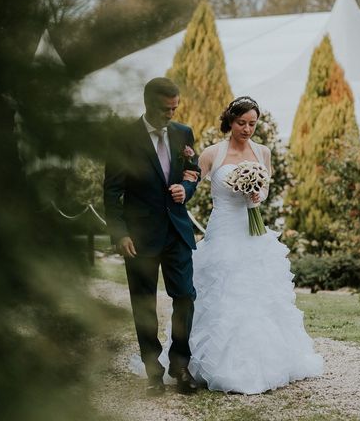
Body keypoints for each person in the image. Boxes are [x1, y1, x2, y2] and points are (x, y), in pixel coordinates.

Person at [162, 96, 323, 394]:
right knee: (220, 291)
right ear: (230, 121)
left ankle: (263, 362)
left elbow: (265, 186)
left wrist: (257, 195)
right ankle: (202, 362)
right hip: (223, 229)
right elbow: (191, 180)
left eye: (252, 123)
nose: (247, 129)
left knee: (257, 292)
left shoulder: (263, 153)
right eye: (241, 123)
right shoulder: (212, 153)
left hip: (252, 230)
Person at [103, 77, 200, 396]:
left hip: (177, 231)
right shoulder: (123, 137)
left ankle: (180, 364)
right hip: (139, 237)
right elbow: (112, 190)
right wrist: (120, 233)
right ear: (148, 104)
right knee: (143, 303)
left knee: (185, 296)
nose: (171, 113)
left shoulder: (183, 133)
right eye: (164, 108)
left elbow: (193, 171)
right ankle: (152, 370)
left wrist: (184, 190)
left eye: (175, 107)